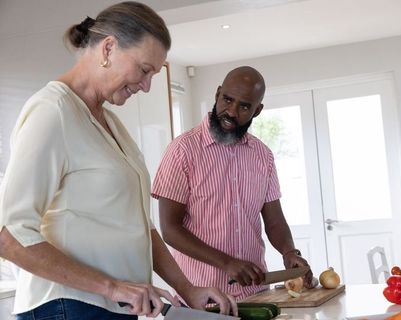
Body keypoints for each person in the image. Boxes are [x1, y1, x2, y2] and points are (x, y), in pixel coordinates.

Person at [0, 2, 237, 319]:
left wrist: (187, 287)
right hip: (66, 306)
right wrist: (113, 287)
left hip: (111, 307)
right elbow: (11, 235)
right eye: (144, 69)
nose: (146, 85)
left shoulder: (111, 123)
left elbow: (138, 224)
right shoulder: (53, 112)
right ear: (108, 48)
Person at [151, 66, 314, 301]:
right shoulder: (182, 151)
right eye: (227, 100)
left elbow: (275, 221)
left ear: (257, 110)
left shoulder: (263, 155)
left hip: (256, 295)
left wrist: (289, 253)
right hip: (201, 298)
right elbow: (170, 230)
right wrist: (226, 263)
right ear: (218, 94)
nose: (231, 111)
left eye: (244, 106)